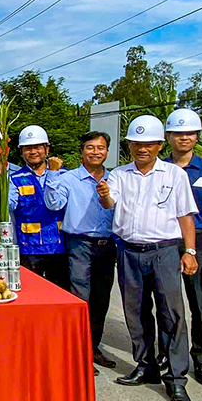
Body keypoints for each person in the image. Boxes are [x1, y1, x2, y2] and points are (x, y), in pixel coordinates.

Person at [97, 115, 198, 401]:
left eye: (149, 144)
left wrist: (190, 251)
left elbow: (185, 215)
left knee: (171, 314)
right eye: (136, 144)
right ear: (129, 145)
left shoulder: (174, 175)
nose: (142, 149)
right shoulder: (119, 175)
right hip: (129, 252)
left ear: (159, 145)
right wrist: (104, 196)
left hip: (163, 251)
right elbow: (109, 203)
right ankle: (145, 365)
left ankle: (176, 378)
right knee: (135, 312)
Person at [44, 131, 118, 369]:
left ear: (107, 151)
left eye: (100, 148)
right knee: (79, 298)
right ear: (82, 151)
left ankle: (93, 348)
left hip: (107, 245)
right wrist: (53, 173)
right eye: (90, 147)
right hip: (79, 244)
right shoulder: (68, 178)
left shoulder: (116, 178)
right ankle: (77, 352)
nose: (95, 152)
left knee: (101, 299)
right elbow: (53, 203)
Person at [163, 108, 202, 387]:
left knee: (198, 300)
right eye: (178, 133)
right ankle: (167, 353)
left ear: (197, 137)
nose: (184, 138)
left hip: (196, 238)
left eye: (189, 133)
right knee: (165, 300)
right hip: (164, 238)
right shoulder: (159, 167)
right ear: (168, 137)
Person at [8, 125, 68, 288]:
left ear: (47, 149)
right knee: (31, 292)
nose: (33, 152)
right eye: (28, 148)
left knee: (58, 293)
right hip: (29, 248)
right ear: (21, 152)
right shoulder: (14, 178)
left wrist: (53, 173)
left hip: (59, 247)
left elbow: (56, 205)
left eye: (37, 147)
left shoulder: (64, 175)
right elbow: (10, 205)